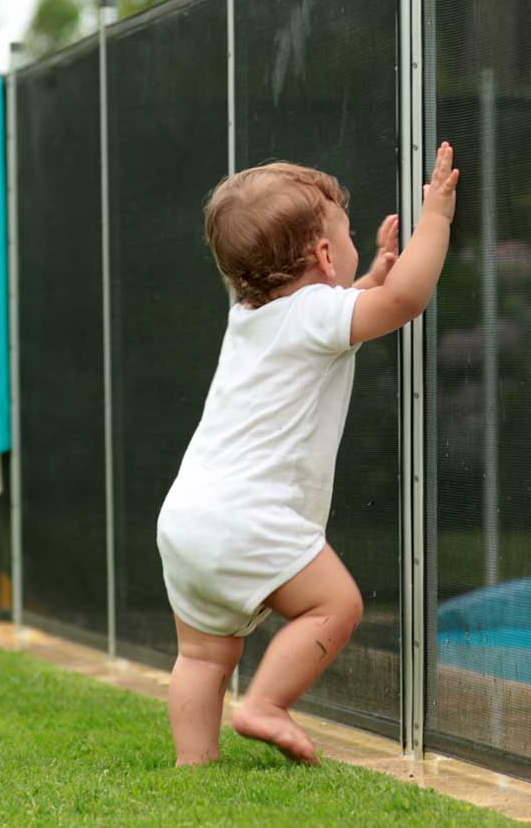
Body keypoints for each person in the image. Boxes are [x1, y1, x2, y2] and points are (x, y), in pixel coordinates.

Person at [156, 143, 460, 766]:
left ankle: (194, 764)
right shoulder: (318, 315)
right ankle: (264, 704)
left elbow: (343, 309)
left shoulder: (248, 316)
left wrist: (371, 273)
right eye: (345, 235)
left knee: (203, 655)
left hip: (186, 519)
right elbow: (403, 302)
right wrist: (436, 220)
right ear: (324, 257)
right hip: (249, 517)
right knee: (337, 605)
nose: (349, 244)